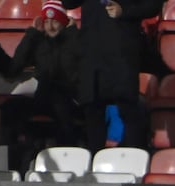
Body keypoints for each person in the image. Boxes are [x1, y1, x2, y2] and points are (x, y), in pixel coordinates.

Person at [62, 0, 163, 153]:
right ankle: (96, 164)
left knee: (127, 108)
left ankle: (135, 162)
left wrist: (125, 11)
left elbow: (153, 6)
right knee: (92, 109)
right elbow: (68, 3)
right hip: (91, 52)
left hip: (121, 51)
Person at [2, 0, 82, 157]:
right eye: (47, 21)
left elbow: (76, 68)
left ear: (64, 22)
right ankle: (14, 153)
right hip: (43, 98)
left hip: (70, 100)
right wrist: (31, 35)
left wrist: (73, 34)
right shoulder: (39, 42)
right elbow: (14, 68)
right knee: (10, 106)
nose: (50, 26)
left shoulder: (75, 40)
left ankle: (67, 155)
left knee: (58, 98)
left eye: (55, 21)